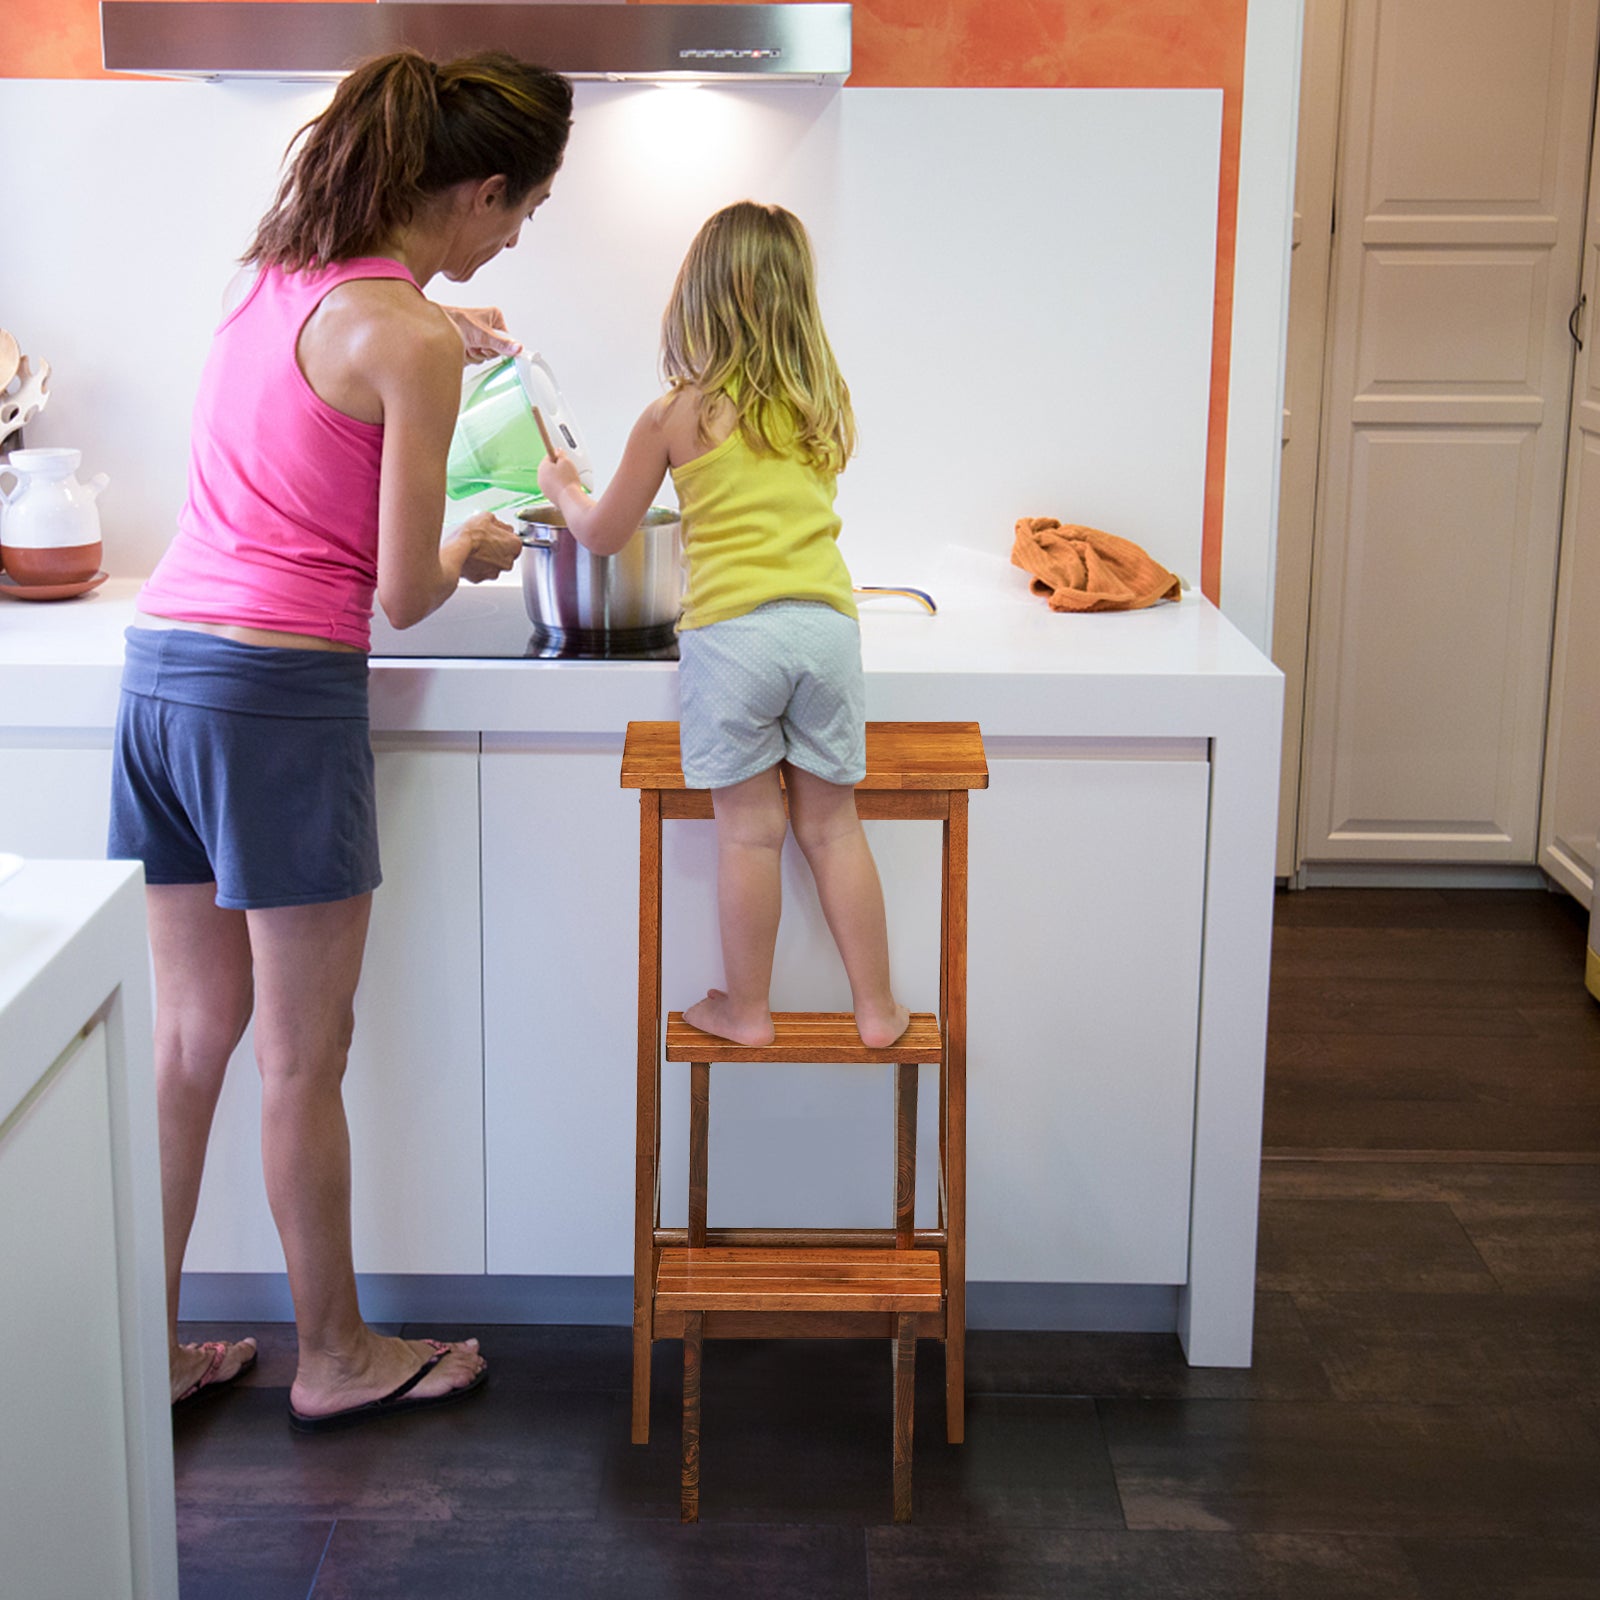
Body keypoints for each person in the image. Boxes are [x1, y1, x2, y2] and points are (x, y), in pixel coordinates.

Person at [106, 49, 572, 1428]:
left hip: (163, 673)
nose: (513, 236)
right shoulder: (408, 338)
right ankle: (335, 1355)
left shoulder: (276, 284)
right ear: (481, 190)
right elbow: (404, 592)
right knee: (306, 1054)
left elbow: (343, 375)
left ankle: (145, 1347)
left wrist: (441, 319)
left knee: (189, 1036)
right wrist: (482, 541)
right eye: (517, 212)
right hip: (277, 699)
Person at [538, 201, 909, 1050]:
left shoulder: (676, 415)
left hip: (733, 639)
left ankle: (747, 1011)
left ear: (696, 300)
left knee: (749, 832)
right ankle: (879, 1008)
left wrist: (561, 484)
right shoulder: (821, 401)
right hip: (826, 630)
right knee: (833, 826)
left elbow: (603, 535)